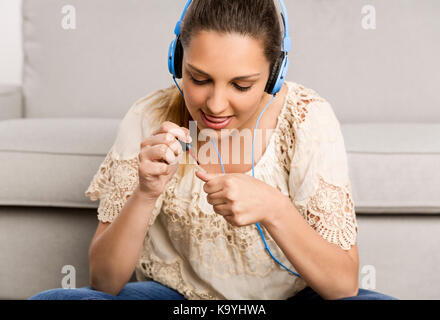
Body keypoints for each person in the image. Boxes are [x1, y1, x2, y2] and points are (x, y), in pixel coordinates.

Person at [29, 0, 396, 300]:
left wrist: (274, 209)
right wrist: (145, 192)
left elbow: (343, 285)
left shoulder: (306, 118)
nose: (216, 105)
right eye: (199, 79)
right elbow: (105, 282)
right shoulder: (147, 115)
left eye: (241, 85)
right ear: (178, 62)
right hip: (176, 301)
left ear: (274, 74)